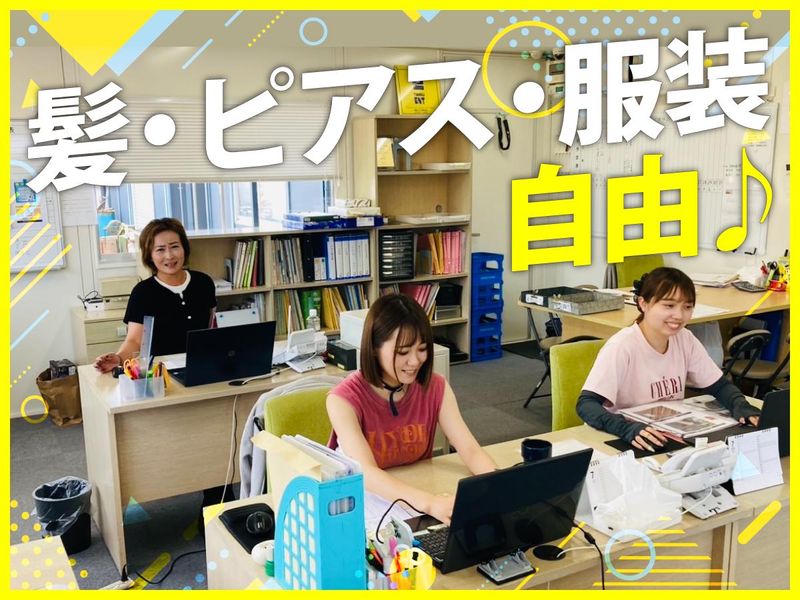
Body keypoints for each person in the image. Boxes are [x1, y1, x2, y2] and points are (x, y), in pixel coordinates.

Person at [327, 294, 497, 524]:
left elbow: (470, 450)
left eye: (422, 349)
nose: (415, 361)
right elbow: (366, 473)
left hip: (418, 491)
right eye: (403, 352)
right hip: (368, 504)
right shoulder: (343, 400)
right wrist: (430, 503)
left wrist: (500, 487)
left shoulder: (435, 386)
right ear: (374, 348)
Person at [577, 266, 760, 452]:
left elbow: (718, 385)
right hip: (623, 438)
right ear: (643, 303)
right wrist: (625, 428)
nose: (679, 316)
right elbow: (586, 404)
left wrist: (740, 405)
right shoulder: (622, 346)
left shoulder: (685, 338)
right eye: (669, 306)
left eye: (687, 307)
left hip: (666, 434)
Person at [94, 218, 216, 373]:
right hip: (161, 373)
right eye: (160, 250)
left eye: (175, 247)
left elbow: (211, 327)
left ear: (184, 248)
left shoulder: (203, 282)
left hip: (202, 365)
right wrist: (119, 358)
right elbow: (134, 340)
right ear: (150, 255)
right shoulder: (143, 293)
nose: (169, 256)